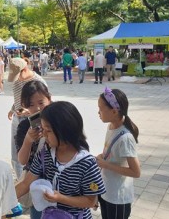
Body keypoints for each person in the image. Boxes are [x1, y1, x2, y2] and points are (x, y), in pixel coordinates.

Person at [16, 101, 106, 219]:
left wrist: (61, 198)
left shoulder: (87, 162)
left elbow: (90, 201)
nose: (43, 135)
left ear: (65, 131)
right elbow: (25, 184)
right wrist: (0, 199)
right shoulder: (44, 154)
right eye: (42, 129)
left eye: (48, 130)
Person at [96, 87, 141, 219]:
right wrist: (102, 157)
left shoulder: (125, 138)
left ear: (114, 111)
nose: (98, 112)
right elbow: (112, 154)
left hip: (117, 197)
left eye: (100, 108)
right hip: (107, 191)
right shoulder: (110, 126)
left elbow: (136, 172)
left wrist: (105, 164)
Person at [15, 80, 52, 218]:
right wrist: (28, 140)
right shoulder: (24, 127)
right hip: (35, 181)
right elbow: (22, 160)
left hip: (60, 180)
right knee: (38, 213)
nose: (37, 108)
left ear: (49, 99)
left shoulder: (60, 119)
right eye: (31, 105)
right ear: (24, 106)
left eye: (41, 102)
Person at [7, 58, 47, 179]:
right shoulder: (16, 80)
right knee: (15, 153)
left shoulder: (38, 82)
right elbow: (18, 98)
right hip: (17, 117)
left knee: (31, 151)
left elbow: (44, 104)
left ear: (24, 69)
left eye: (17, 75)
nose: (16, 78)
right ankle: (21, 179)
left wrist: (29, 111)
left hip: (32, 119)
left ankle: (29, 178)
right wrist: (13, 108)